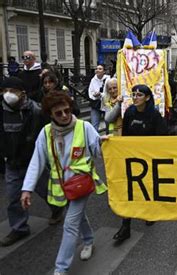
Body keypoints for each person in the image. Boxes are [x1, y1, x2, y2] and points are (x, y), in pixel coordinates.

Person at [20, 91, 107, 275]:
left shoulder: (84, 127)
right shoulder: (46, 133)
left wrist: (103, 143)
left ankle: (60, 269)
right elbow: (37, 161)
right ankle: (89, 240)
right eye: (58, 113)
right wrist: (27, 189)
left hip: (82, 184)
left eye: (67, 110)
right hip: (61, 186)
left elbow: (98, 152)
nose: (65, 115)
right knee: (77, 217)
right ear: (51, 114)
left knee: (70, 223)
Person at [0, 77, 63, 247]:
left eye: (12, 91)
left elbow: (46, 134)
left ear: (22, 93)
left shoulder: (36, 111)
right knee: (14, 197)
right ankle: (19, 228)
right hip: (12, 163)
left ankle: (56, 208)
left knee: (46, 190)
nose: (8, 95)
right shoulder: (2, 111)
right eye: (4, 91)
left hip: (34, 162)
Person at [112, 85, 168, 243]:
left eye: (139, 95)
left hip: (149, 160)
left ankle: (149, 213)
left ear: (147, 98)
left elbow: (162, 138)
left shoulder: (155, 116)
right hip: (132, 158)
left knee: (147, 188)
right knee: (129, 190)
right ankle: (125, 226)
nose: (135, 97)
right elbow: (125, 136)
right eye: (133, 94)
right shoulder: (129, 112)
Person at [88, 64, 110, 131]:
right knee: (94, 124)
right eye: (96, 69)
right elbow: (90, 92)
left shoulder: (108, 79)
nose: (97, 70)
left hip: (106, 104)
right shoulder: (93, 80)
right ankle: (95, 141)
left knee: (108, 123)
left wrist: (101, 94)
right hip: (96, 104)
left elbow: (109, 92)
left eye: (100, 69)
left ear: (104, 71)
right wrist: (94, 96)